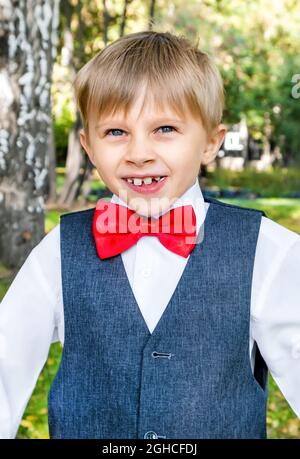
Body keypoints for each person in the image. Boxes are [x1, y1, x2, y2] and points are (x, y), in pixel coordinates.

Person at [0, 30, 300, 440]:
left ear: (211, 142)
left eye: (164, 129)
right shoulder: (59, 251)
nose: (139, 153)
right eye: (116, 133)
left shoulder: (268, 252)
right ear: (88, 146)